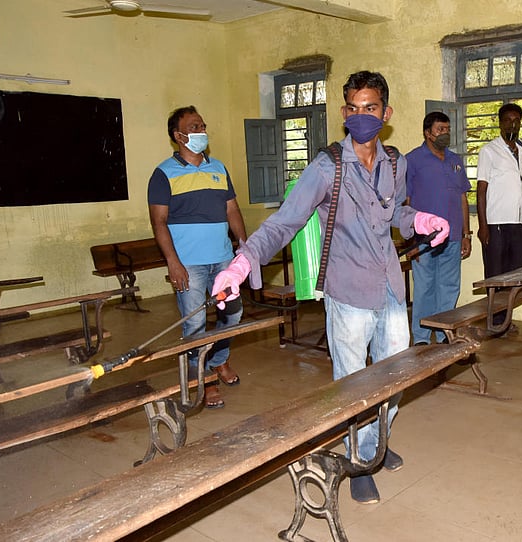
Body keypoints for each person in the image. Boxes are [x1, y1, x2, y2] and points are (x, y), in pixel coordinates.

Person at [210, 71, 449, 504]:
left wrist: (419, 220)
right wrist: (241, 262)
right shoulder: (327, 166)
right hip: (348, 289)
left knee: (395, 378)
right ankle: (357, 460)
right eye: (354, 108)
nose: (362, 116)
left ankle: (377, 442)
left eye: (371, 107)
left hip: (391, 287)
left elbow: (395, 214)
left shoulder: (398, 163)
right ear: (344, 113)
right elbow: (285, 222)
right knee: (353, 383)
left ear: (386, 113)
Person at [148, 105, 247, 410]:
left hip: (223, 261)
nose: (201, 131)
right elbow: (159, 222)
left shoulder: (218, 168)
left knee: (232, 315)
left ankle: (219, 360)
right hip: (188, 264)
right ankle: (204, 381)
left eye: (202, 125)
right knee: (195, 326)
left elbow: (231, 209)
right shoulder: (164, 174)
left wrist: (245, 247)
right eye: (193, 127)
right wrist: (172, 263)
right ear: (178, 136)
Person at [406, 111, 472, 346]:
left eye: (447, 129)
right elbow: (405, 202)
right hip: (423, 239)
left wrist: (466, 234)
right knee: (424, 288)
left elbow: (463, 198)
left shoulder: (455, 161)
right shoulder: (412, 160)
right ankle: (422, 337)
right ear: (427, 133)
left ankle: (445, 334)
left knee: (449, 288)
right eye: (440, 130)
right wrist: (409, 240)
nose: (445, 133)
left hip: (453, 237)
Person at [476, 103, 522, 326]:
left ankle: (507, 318)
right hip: (496, 223)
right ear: (500, 123)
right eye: (508, 120)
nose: (512, 124)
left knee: (517, 272)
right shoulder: (489, 151)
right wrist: (483, 226)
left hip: (519, 222)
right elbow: (481, 190)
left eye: (517, 121)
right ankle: (495, 319)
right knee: (496, 274)